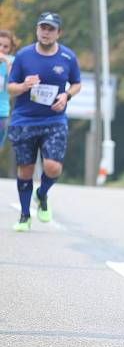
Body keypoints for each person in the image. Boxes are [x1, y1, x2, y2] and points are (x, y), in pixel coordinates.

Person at [7, 12, 81, 232]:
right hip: (24, 120)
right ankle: (24, 215)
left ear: (58, 32)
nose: (46, 32)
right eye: (43, 28)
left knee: (53, 166)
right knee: (25, 170)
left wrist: (66, 96)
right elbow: (10, 87)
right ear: (37, 30)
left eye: (51, 29)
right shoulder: (23, 55)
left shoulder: (67, 57)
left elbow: (76, 83)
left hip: (54, 119)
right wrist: (23, 86)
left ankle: (42, 194)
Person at [0, 30, 18, 147]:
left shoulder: (12, 61)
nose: (1, 49)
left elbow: (14, 80)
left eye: (5, 47)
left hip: (1, 114)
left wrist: (6, 61)